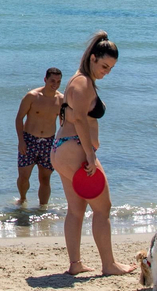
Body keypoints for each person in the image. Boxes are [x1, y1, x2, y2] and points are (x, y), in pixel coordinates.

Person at [50, 32, 135, 276]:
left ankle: (75, 264)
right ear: (93, 58)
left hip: (62, 149)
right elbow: (79, 120)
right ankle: (109, 264)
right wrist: (89, 154)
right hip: (75, 149)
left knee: (76, 209)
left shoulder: (77, 80)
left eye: (111, 68)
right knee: (103, 208)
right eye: (104, 66)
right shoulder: (83, 83)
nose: (107, 72)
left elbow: (70, 116)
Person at [14, 68, 63, 205]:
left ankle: (43, 208)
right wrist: (21, 141)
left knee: (45, 178)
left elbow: (63, 124)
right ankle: (22, 199)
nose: (55, 84)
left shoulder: (61, 100)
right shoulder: (32, 96)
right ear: (45, 79)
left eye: (58, 81)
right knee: (24, 177)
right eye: (52, 80)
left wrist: (60, 144)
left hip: (48, 142)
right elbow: (19, 118)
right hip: (29, 140)